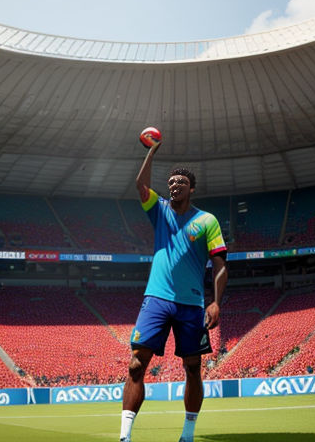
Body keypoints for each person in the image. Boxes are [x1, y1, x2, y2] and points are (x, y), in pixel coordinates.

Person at [120, 137, 228, 442]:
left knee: (193, 369)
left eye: (181, 181)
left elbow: (220, 264)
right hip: (156, 299)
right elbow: (140, 185)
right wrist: (152, 152)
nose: (174, 185)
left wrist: (216, 302)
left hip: (191, 305)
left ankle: (188, 434)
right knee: (136, 364)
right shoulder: (160, 211)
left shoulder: (207, 221)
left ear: (191, 188)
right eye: (171, 182)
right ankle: (125, 437)